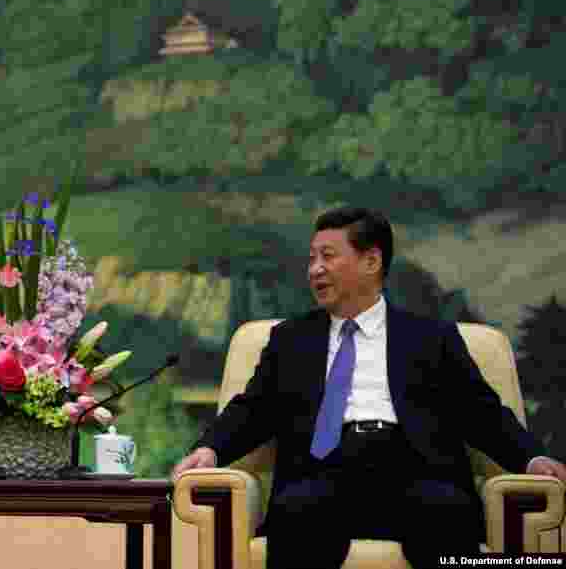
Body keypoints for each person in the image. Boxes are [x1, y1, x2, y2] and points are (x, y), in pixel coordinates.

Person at [173, 207, 566, 569]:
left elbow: (479, 411)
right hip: (323, 474)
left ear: (371, 261)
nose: (315, 269)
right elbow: (252, 409)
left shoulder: (431, 337)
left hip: (416, 470)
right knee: (297, 511)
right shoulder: (290, 339)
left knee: (446, 511)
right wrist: (209, 448)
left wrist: (531, 459)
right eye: (311, 258)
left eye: (328, 256)